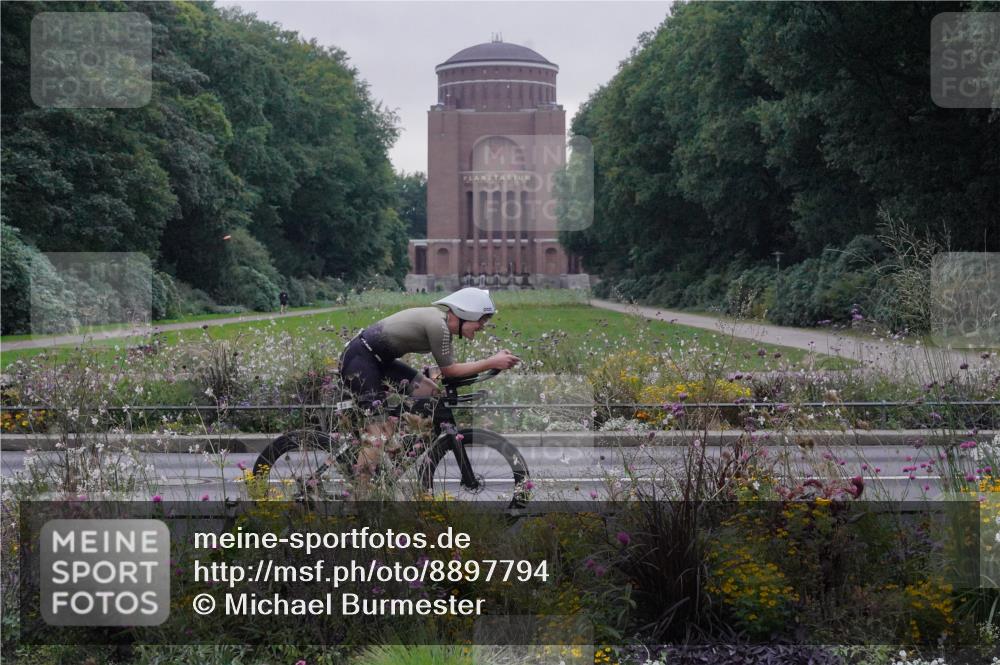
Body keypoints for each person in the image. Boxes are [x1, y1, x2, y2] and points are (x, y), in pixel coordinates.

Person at [339, 287, 520, 488]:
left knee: (432, 395)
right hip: (361, 361)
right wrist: (491, 362)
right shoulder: (438, 325)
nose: (482, 327)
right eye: (481, 321)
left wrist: (491, 363)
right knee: (377, 435)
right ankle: (362, 495)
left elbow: (447, 370)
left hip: (379, 361)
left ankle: (398, 449)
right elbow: (450, 370)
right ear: (466, 314)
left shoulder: (443, 327)